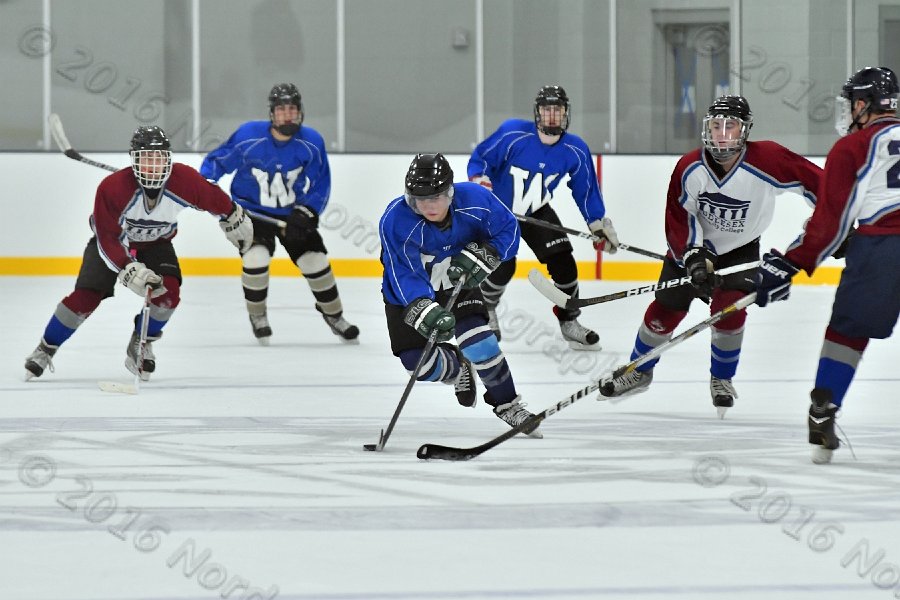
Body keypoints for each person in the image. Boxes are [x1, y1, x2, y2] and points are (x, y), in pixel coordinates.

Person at [599, 95, 822, 418]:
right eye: (716, 126)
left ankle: (721, 378)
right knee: (665, 309)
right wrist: (693, 257)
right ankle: (639, 369)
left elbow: (820, 184)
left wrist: (835, 225)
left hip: (741, 251)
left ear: (744, 131)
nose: (721, 133)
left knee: (728, 312)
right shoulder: (690, 167)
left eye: (730, 126)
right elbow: (679, 218)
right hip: (694, 251)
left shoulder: (769, 159)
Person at [24, 126, 253, 381]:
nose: (153, 165)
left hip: (156, 245)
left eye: (158, 159)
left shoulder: (184, 181)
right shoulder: (112, 189)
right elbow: (108, 237)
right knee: (84, 298)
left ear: (168, 160)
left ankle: (141, 342)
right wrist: (127, 267)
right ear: (134, 160)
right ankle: (46, 348)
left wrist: (233, 216)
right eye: (146, 158)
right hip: (112, 246)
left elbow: (213, 198)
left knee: (168, 294)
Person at [756, 66, 900, 463]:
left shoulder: (853, 148)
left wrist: (790, 263)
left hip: (883, 248)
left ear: (862, 104)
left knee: (847, 332)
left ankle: (824, 405)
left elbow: (830, 225)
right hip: (880, 242)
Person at [379, 153, 542, 438]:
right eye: (420, 198)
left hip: (460, 282)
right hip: (409, 295)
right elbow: (402, 272)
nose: (428, 205)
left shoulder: (476, 199)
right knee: (418, 364)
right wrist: (422, 306)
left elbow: (508, 230)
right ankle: (456, 370)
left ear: (450, 192)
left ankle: (507, 404)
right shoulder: (396, 220)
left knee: (480, 342)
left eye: (436, 197)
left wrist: (490, 253)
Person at [200, 83, 359, 345]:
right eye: (282, 109)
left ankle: (334, 316)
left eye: (293, 109)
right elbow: (217, 162)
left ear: (300, 112)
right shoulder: (248, 135)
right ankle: (258, 315)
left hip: (290, 215)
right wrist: (205, 184)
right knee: (255, 259)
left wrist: (306, 211)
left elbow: (321, 183)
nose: (288, 114)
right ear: (272, 113)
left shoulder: (311, 141)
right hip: (250, 213)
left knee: (315, 262)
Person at [467, 84, 619, 350]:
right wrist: (479, 179)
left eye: (557, 110)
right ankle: (488, 308)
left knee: (564, 263)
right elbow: (481, 157)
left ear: (565, 113)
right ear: (537, 113)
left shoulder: (575, 149)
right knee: (503, 268)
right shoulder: (513, 133)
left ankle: (569, 321)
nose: (551, 116)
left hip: (537, 210)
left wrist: (597, 224)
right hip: (502, 212)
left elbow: (585, 191)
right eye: (546, 109)